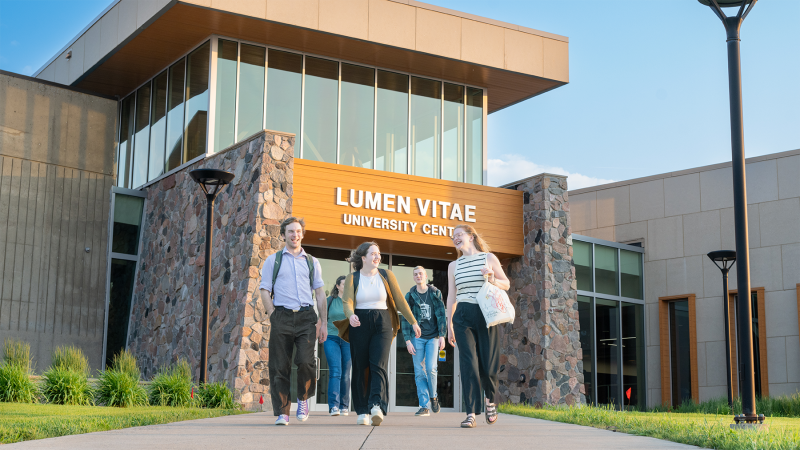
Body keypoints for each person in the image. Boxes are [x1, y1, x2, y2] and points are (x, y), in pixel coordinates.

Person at [335, 242, 421, 426]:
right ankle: (362, 410)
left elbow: (399, 300)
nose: (377, 256)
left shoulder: (386, 275)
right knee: (360, 366)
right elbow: (347, 301)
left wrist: (413, 321)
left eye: (379, 253)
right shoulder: (352, 278)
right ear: (363, 258)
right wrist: (351, 316)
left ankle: (376, 405)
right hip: (359, 322)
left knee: (379, 365)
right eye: (373, 253)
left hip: (383, 322)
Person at [259, 217, 327, 426]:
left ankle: (303, 399)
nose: (294, 235)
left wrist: (323, 322)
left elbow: (320, 293)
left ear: (302, 234)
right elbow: (264, 289)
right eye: (290, 231)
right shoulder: (273, 260)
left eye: (298, 231)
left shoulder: (312, 261)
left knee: (306, 361)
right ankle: (283, 412)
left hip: (307, 316)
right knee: (280, 365)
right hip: (282, 316)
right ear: (283, 235)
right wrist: (272, 313)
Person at [446, 224, 510, 428]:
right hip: (462, 315)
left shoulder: (488, 258)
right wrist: (449, 325)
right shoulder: (453, 266)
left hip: (485, 313)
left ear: (471, 236)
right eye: (453, 236)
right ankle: (471, 412)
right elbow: (451, 297)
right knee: (468, 364)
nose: (455, 238)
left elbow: (506, 283)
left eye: (459, 234)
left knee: (489, 364)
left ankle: (490, 400)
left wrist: (492, 278)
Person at [400, 266, 447, 417]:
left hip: (432, 337)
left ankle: (433, 397)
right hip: (417, 339)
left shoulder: (434, 293)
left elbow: (441, 314)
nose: (418, 276)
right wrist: (407, 340)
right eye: (415, 274)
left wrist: (442, 335)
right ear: (414, 278)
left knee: (431, 368)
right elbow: (406, 318)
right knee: (419, 372)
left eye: (420, 273)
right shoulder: (410, 295)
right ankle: (424, 406)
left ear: (426, 276)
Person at [324, 275, 351, 416]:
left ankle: (344, 406)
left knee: (346, 374)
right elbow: (322, 320)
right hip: (331, 338)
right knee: (336, 371)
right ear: (338, 286)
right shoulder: (330, 301)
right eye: (344, 284)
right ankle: (333, 406)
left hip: (347, 340)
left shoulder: (352, 303)